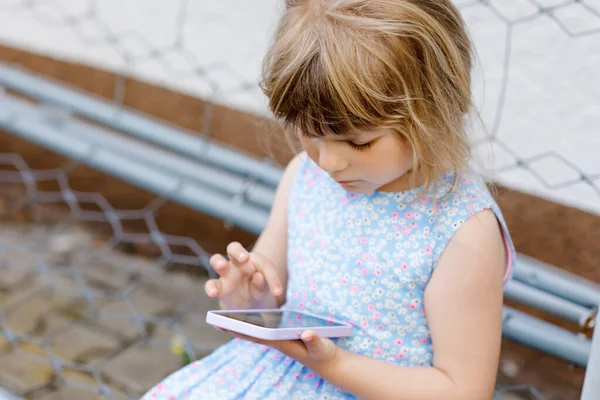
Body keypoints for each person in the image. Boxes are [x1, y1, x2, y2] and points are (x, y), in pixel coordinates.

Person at [141, 0, 516, 398]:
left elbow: (463, 390)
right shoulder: (305, 176)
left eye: (359, 141)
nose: (330, 162)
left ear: (433, 111)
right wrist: (249, 296)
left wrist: (334, 364)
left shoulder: (462, 229)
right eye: (311, 134)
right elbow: (273, 296)